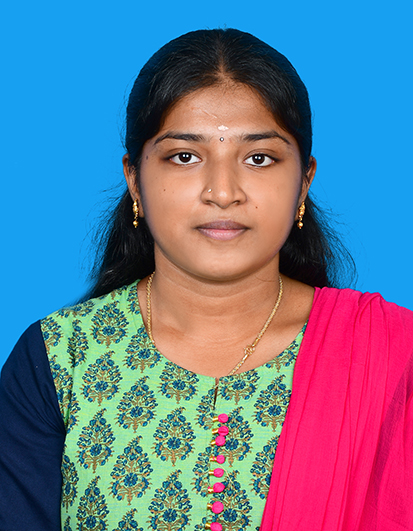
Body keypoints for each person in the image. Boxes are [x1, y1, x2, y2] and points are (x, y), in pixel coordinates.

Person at [0, 28, 412, 531]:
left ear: (304, 181)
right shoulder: (60, 358)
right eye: (184, 156)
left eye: (259, 158)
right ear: (134, 178)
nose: (222, 191)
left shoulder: (394, 357)